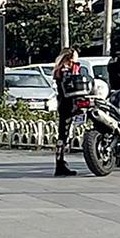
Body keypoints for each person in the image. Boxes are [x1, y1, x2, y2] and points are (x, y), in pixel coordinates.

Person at [51, 48, 79, 177]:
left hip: (63, 104)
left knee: (62, 134)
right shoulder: (67, 69)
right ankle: (60, 164)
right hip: (70, 103)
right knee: (64, 134)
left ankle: (60, 162)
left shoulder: (58, 69)